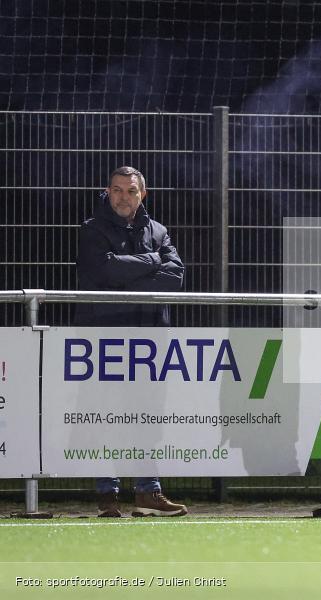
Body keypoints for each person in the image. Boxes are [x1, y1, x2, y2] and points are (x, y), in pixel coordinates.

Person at [76, 166, 188, 517]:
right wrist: (152, 262)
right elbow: (105, 271)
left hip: (150, 337)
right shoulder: (92, 230)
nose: (123, 197)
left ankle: (147, 492)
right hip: (104, 338)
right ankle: (108, 495)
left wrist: (128, 280)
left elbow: (176, 276)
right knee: (104, 416)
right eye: (116, 190)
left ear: (144, 194)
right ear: (108, 192)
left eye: (130, 191)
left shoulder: (159, 230)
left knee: (148, 416)